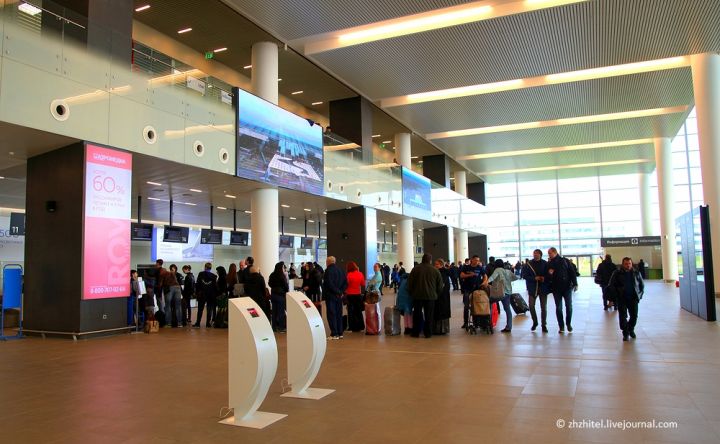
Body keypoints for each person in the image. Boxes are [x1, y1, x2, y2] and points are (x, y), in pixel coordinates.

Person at [407, 253, 444, 338]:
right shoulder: (435, 270)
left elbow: (410, 283)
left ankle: (416, 332)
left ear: (422, 259)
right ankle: (428, 333)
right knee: (429, 315)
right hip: (430, 297)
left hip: (417, 296)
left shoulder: (415, 269)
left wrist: (412, 293)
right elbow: (440, 285)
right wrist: (436, 294)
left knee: (417, 315)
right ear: (430, 260)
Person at [608, 257, 644, 341]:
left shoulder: (636, 273)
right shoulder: (617, 273)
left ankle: (630, 329)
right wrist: (615, 296)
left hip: (633, 298)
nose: (628, 265)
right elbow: (611, 285)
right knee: (622, 316)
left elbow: (641, 285)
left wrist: (639, 296)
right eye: (626, 264)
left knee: (634, 316)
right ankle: (625, 333)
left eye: (629, 264)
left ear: (631, 264)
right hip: (622, 298)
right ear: (622, 264)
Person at [547, 247, 578, 334]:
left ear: (555, 252)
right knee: (558, 307)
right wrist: (550, 274)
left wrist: (575, 283)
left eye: (550, 253)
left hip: (567, 287)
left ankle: (568, 324)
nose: (549, 255)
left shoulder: (565, 261)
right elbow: (547, 277)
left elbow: (572, 272)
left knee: (569, 306)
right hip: (556, 288)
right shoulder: (549, 263)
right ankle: (561, 326)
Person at [521, 250, 550, 332]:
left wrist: (544, 278)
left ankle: (544, 324)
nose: (535, 255)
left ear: (540, 255)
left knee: (543, 307)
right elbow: (524, 275)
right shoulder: (528, 264)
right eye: (534, 253)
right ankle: (535, 322)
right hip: (533, 288)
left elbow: (549, 275)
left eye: (537, 254)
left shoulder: (545, 263)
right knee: (531, 306)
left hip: (543, 288)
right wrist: (534, 278)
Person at [487, 258, 518, 333]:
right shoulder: (508, 271)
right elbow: (515, 278)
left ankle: (489, 323)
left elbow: (492, 278)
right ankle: (509, 327)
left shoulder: (497, 270)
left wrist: (485, 282)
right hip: (508, 293)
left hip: (499, 292)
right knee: (507, 309)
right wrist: (507, 280)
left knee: (489, 303)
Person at [322, 256, 347, 340]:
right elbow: (345, 283)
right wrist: (340, 292)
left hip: (330, 296)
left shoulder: (328, 271)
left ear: (328, 262)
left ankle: (334, 333)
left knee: (331, 314)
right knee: (339, 314)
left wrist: (337, 291)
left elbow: (329, 284)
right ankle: (340, 333)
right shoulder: (341, 270)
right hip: (339, 296)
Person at [459, 255, 484, 329]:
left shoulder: (480, 267)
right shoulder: (466, 267)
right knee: (466, 306)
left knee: (477, 305)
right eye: (475, 260)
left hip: (477, 289)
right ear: (472, 260)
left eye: (478, 260)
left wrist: (485, 282)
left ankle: (476, 322)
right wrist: (470, 275)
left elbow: (485, 275)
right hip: (467, 289)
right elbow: (461, 275)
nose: (477, 262)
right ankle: (465, 323)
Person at [193, 263, 217, 328]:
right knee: (209, 310)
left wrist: (196, 293)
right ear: (210, 268)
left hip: (202, 294)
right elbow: (215, 287)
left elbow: (198, 284)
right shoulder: (214, 276)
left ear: (205, 267)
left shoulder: (201, 274)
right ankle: (208, 324)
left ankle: (198, 323)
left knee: (200, 309)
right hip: (210, 295)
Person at [345, 261, 365, 333]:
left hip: (350, 295)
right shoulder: (360, 274)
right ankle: (361, 326)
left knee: (350, 311)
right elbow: (363, 284)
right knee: (358, 311)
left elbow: (346, 285)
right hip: (358, 294)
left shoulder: (348, 275)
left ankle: (351, 327)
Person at [268, 262, 289, 332]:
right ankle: (281, 327)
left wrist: (274, 287)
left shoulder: (272, 274)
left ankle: (273, 327)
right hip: (280, 296)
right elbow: (286, 285)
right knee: (281, 312)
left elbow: (269, 283)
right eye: (283, 267)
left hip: (273, 295)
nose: (283, 268)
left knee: (274, 312)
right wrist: (285, 290)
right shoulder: (282, 275)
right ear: (280, 268)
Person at [434, 258, 451, 334]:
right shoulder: (442, 272)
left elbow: (442, 285)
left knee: (441, 311)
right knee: (441, 310)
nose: (435, 265)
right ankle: (442, 329)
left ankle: (440, 329)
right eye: (435, 264)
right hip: (443, 295)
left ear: (441, 265)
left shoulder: (442, 272)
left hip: (441, 295)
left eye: (437, 264)